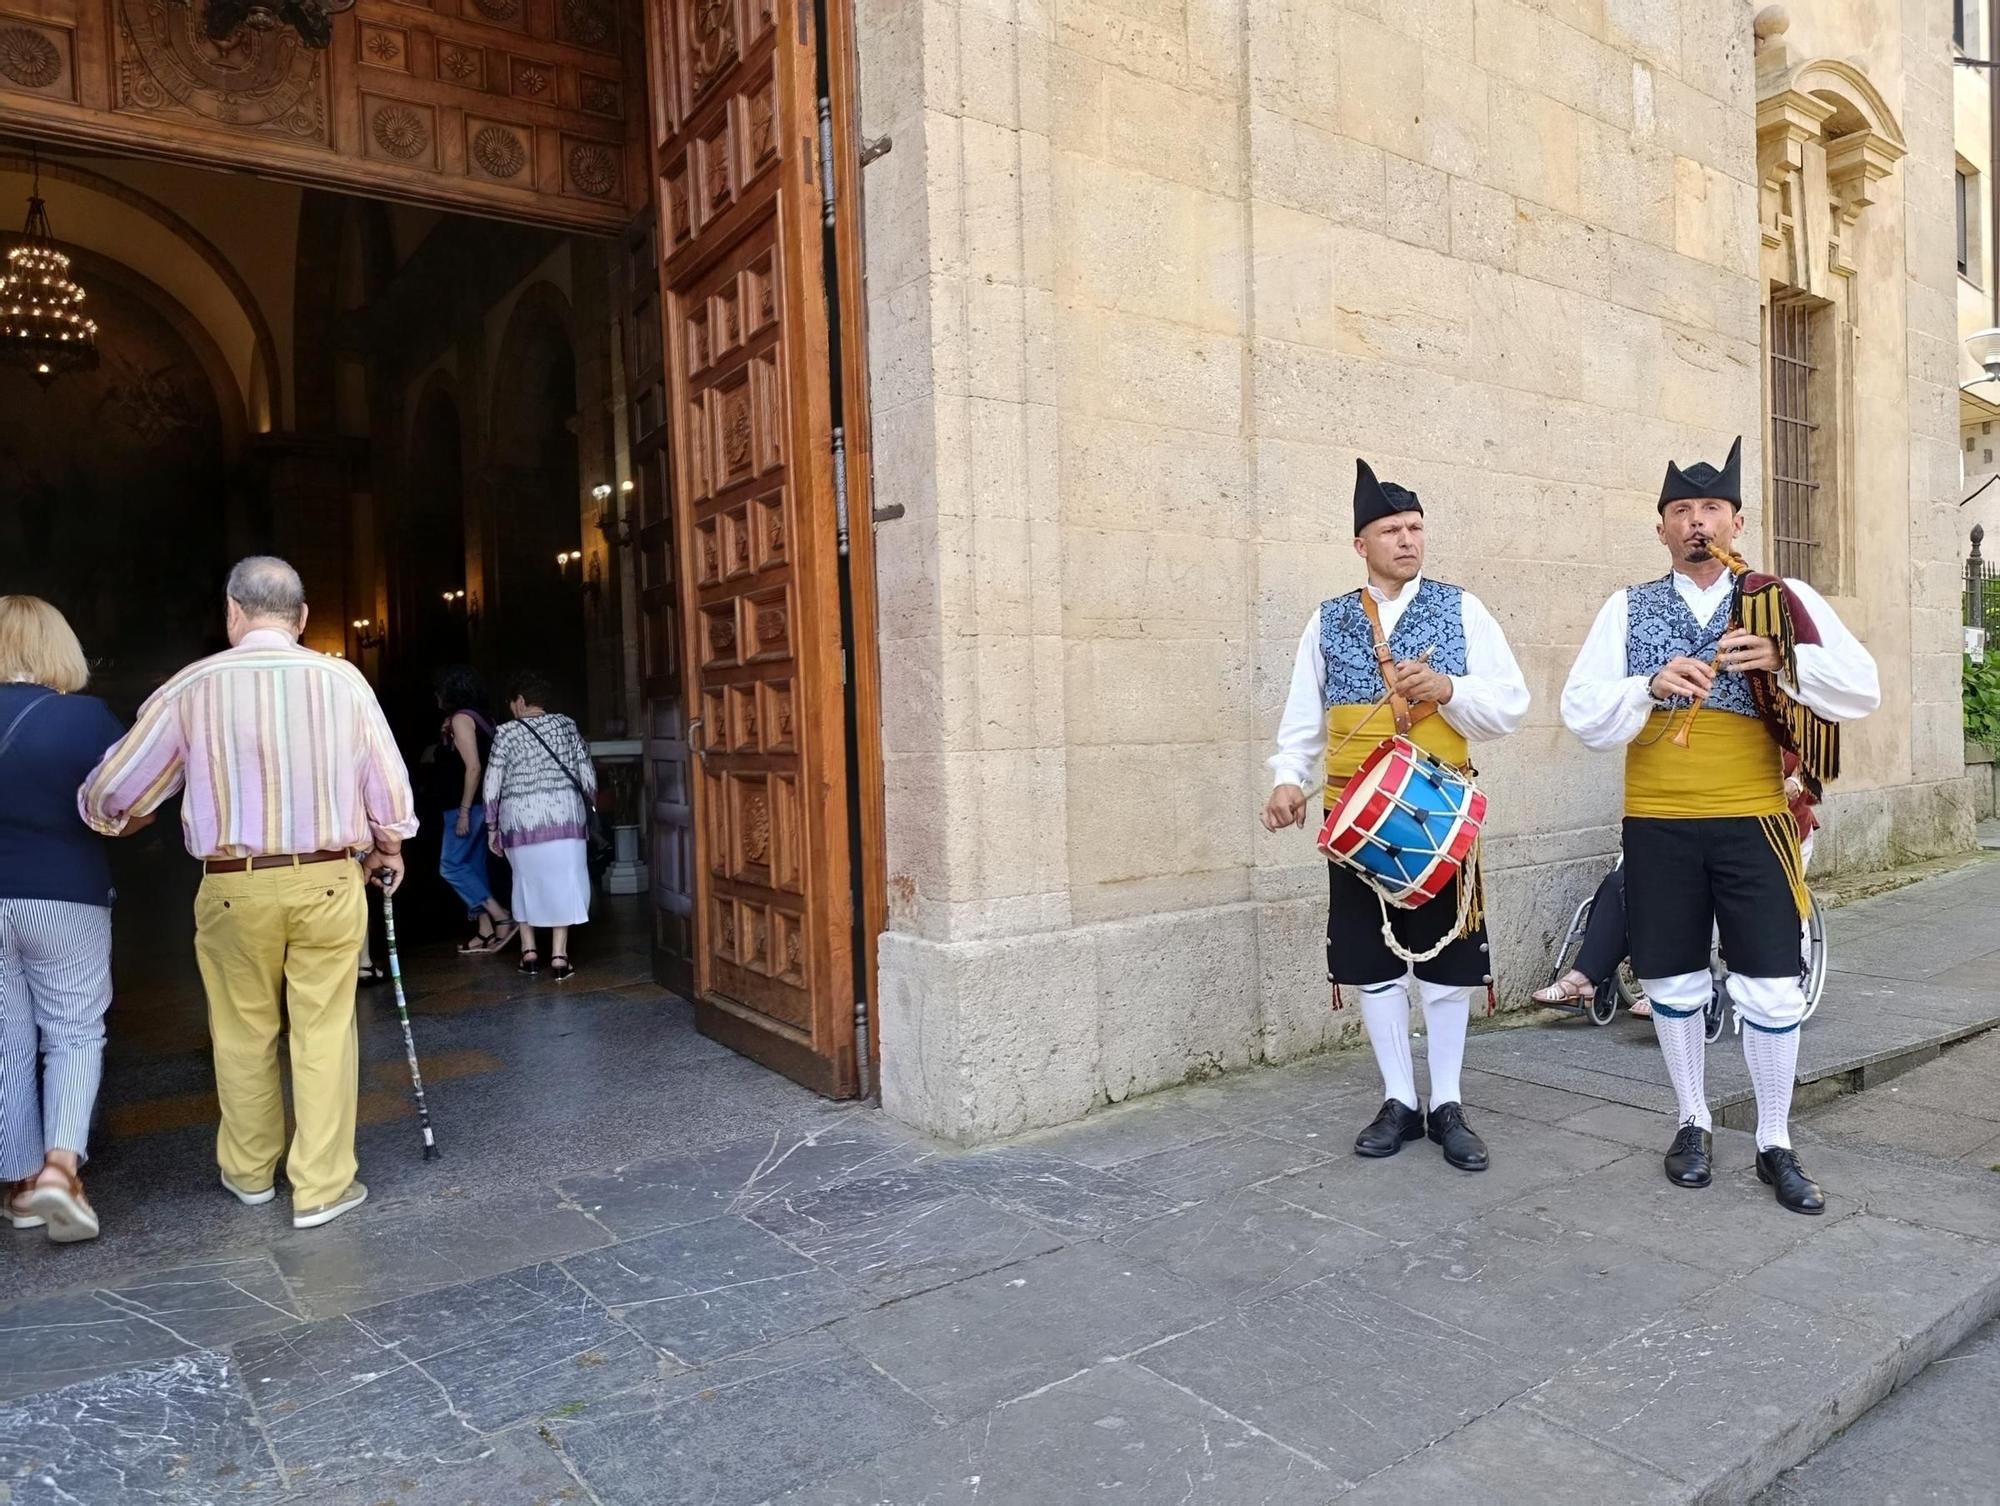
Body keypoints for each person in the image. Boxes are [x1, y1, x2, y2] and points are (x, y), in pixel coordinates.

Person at [1560, 439, 1878, 1214]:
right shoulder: (1627, 607)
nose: (1696, 523)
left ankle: (1776, 1140)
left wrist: (1780, 659)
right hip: (1660, 822)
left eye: (1710, 510)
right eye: (1680, 512)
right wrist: (1647, 683)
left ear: (1737, 520)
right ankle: (1693, 1121)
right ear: (1661, 529)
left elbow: (1860, 690)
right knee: (1671, 978)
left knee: (1771, 984)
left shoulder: (1780, 596)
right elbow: (1582, 713)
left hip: (1755, 822)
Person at [80, 557, 418, 1231]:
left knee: (241, 1033)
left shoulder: (192, 687)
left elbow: (111, 793)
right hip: (328, 877)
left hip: (234, 887)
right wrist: (388, 845)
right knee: (324, 1030)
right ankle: (322, 1187)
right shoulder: (341, 680)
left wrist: (118, 817)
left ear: (233, 611)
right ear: (300, 618)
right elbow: (390, 787)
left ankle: (249, 1175)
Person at [1264, 459, 1530, 1171]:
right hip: (1354, 818)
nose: (1408, 540)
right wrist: (1289, 781)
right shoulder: (1328, 619)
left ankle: (1447, 1101)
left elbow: (1510, 703)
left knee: (1443, 962)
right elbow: (1302, 718)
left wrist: (1447, 688)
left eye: (1416, 527)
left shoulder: (1462, 607)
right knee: (1373, 964)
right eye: (1392, 529)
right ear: (1362, 544)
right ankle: (1399, 1100)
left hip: (1438, 817)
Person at [0, 597, 132, 1243]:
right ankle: (59, 1169)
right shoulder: (85, 719)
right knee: (74, 1032)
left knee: (6, 1039)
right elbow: (130, 808)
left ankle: (21, 1187)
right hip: (65, 896)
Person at [1534, 752, 1821, 1018]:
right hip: (1688, 828)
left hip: (1772, 837)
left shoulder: (1788, 706)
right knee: (1621, 882)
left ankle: (1692, 989)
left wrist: (1795, 782)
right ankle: (1585, 977)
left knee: (1707, 900)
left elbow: (1820, 756)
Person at [483, 671, 593, 980]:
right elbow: (587, 774)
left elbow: (492, 784)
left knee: (525, 882)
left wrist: (492, 827)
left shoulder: (505, 733)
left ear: (519, 701)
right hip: (565, 819)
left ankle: (529, 954)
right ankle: (559, 957)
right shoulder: (567, 726)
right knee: (565, 883)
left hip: (520, 822)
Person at [432, 664, 515, 955]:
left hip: (465, 805)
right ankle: (485, 930)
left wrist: (465, 811)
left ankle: (500, 914)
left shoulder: (461, 720)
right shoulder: (482, 718)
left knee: (451, 866)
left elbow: (474, 767)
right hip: (481, 804)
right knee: (473, 867)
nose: (436, 695)